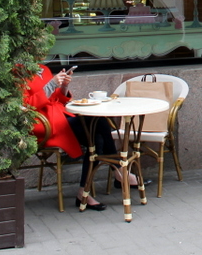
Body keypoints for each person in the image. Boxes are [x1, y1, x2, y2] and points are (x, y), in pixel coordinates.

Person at [25, 64, 136, 212]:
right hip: (44, 123)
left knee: (98, 124)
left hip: (59, 114)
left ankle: (86, 191)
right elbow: (27, 105)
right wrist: (51, 84)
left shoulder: (43, 68)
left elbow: (58, 98)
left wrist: (64, 86)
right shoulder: (18, 73)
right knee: (95, 136)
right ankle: (117, 172)